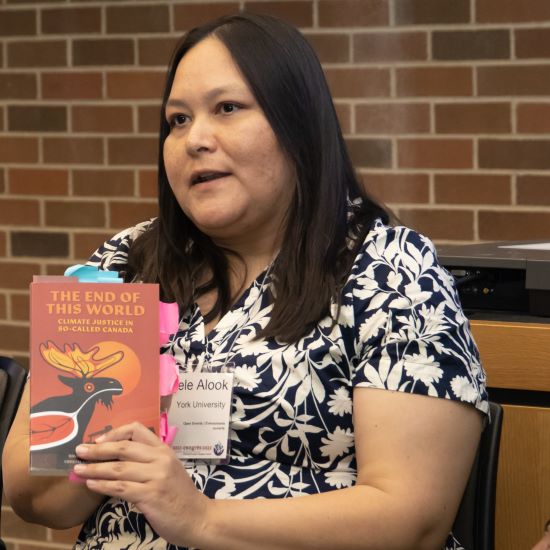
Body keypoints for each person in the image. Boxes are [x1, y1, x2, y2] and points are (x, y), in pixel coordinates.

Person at [3, 12, 488, 550]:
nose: (195, 140)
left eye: (227, 108)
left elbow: (410, 519)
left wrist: (202, 519)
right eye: (178, 120)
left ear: (296, 123)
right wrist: (109, 424)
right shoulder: (128, 264)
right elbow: (41, 502)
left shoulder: (387, 269)